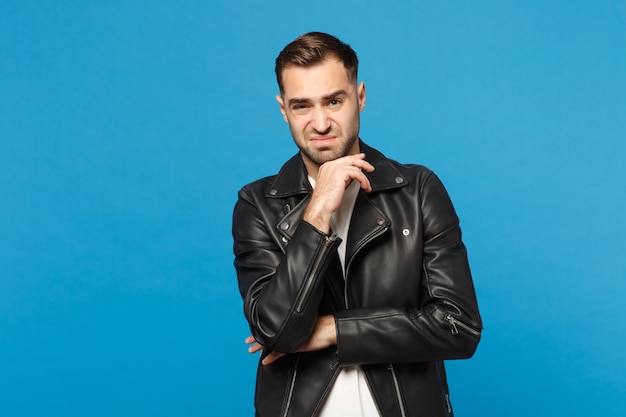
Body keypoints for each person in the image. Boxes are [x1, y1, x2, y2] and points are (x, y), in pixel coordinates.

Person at [232, 31, 482, 417]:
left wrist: (333, 329)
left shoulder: (417, 191)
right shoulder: (258, 204)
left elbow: (459, 326)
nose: (320, 122)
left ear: (360, 96)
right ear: (283, 109)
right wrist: (316, 212)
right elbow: (276, 331)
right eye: (302, 106)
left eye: (334, 100)